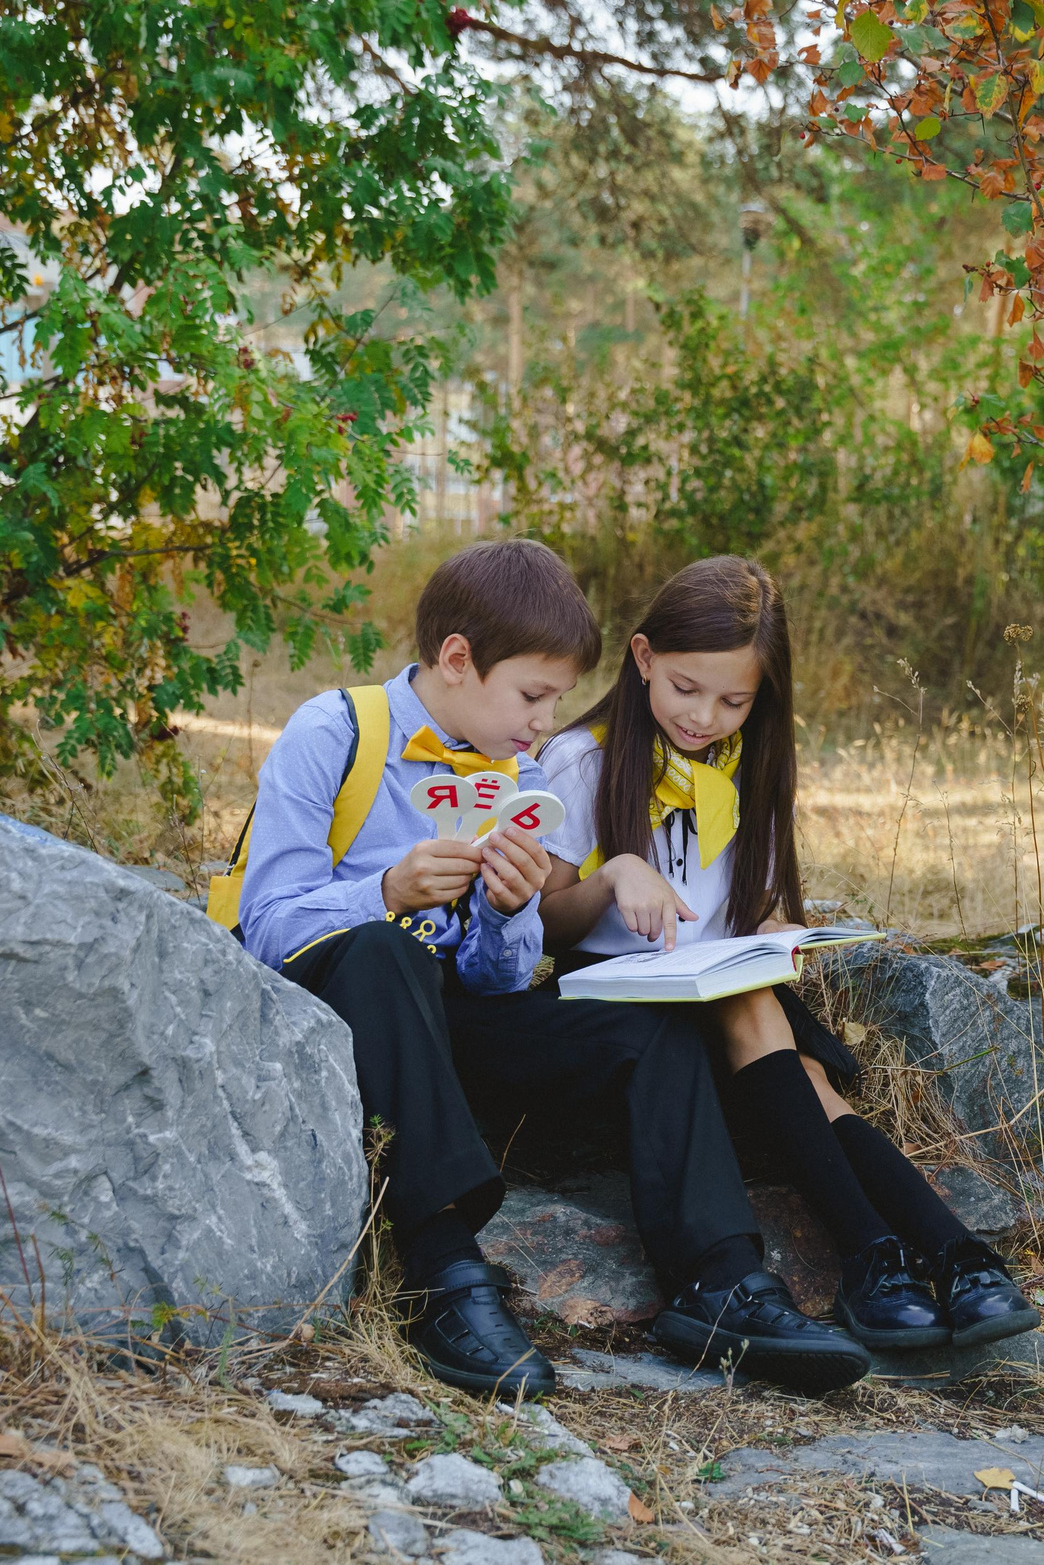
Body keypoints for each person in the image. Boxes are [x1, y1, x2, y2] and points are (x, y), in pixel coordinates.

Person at [236, 539, 868, 1397]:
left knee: (646, 1028)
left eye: (557, 699)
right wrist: (384, 889)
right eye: (533, 696)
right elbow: (264, 926)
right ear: (457, 660)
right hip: (335, 1021)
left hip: (446, 1027)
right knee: (386, 949)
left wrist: (503, 912)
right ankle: (445, 1275)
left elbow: (496, 983)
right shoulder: (336, 731)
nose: (545, 722)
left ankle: (718, 1282)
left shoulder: (518, 776)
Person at [537, 556, 1039, 1352]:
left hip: (720, 995)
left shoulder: (745, 767)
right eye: (686, 688)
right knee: (777, 1044)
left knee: (791, 1055)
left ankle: (935, 1255)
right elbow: (547, 923)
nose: (704, 716)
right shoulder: (581, 759)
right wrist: (612, 879)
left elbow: (753, 904)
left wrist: (774, 935)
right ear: (642, 660)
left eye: (734, 700)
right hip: (623, 1010)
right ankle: (901, 1252)